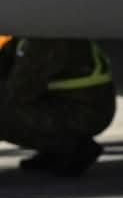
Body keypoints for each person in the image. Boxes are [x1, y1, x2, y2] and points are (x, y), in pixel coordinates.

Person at [0, 36, 115, 177]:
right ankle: (56, 150)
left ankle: (72, 148)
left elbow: (17, 92)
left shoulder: (44, 40)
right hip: (66, 103)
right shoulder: (27, 33)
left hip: (83, 112)